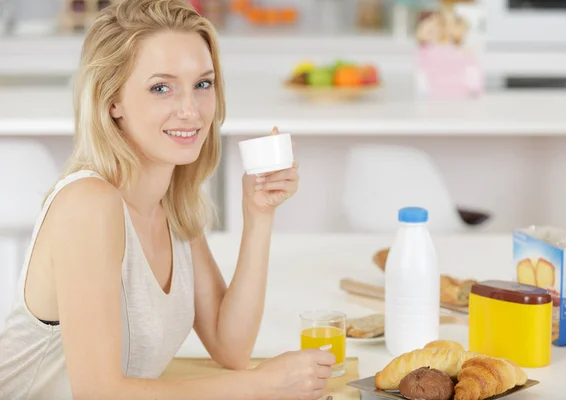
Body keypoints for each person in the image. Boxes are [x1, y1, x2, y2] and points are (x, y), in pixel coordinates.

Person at [0, 1, 335, 399]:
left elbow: (231, 346)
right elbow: (98, 393)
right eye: (162, 87)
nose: (191, 110)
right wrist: (261, 385)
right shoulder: (88, 205)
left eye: (203, 84)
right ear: (112, 101)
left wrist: (259, 215)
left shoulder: (171, 205)